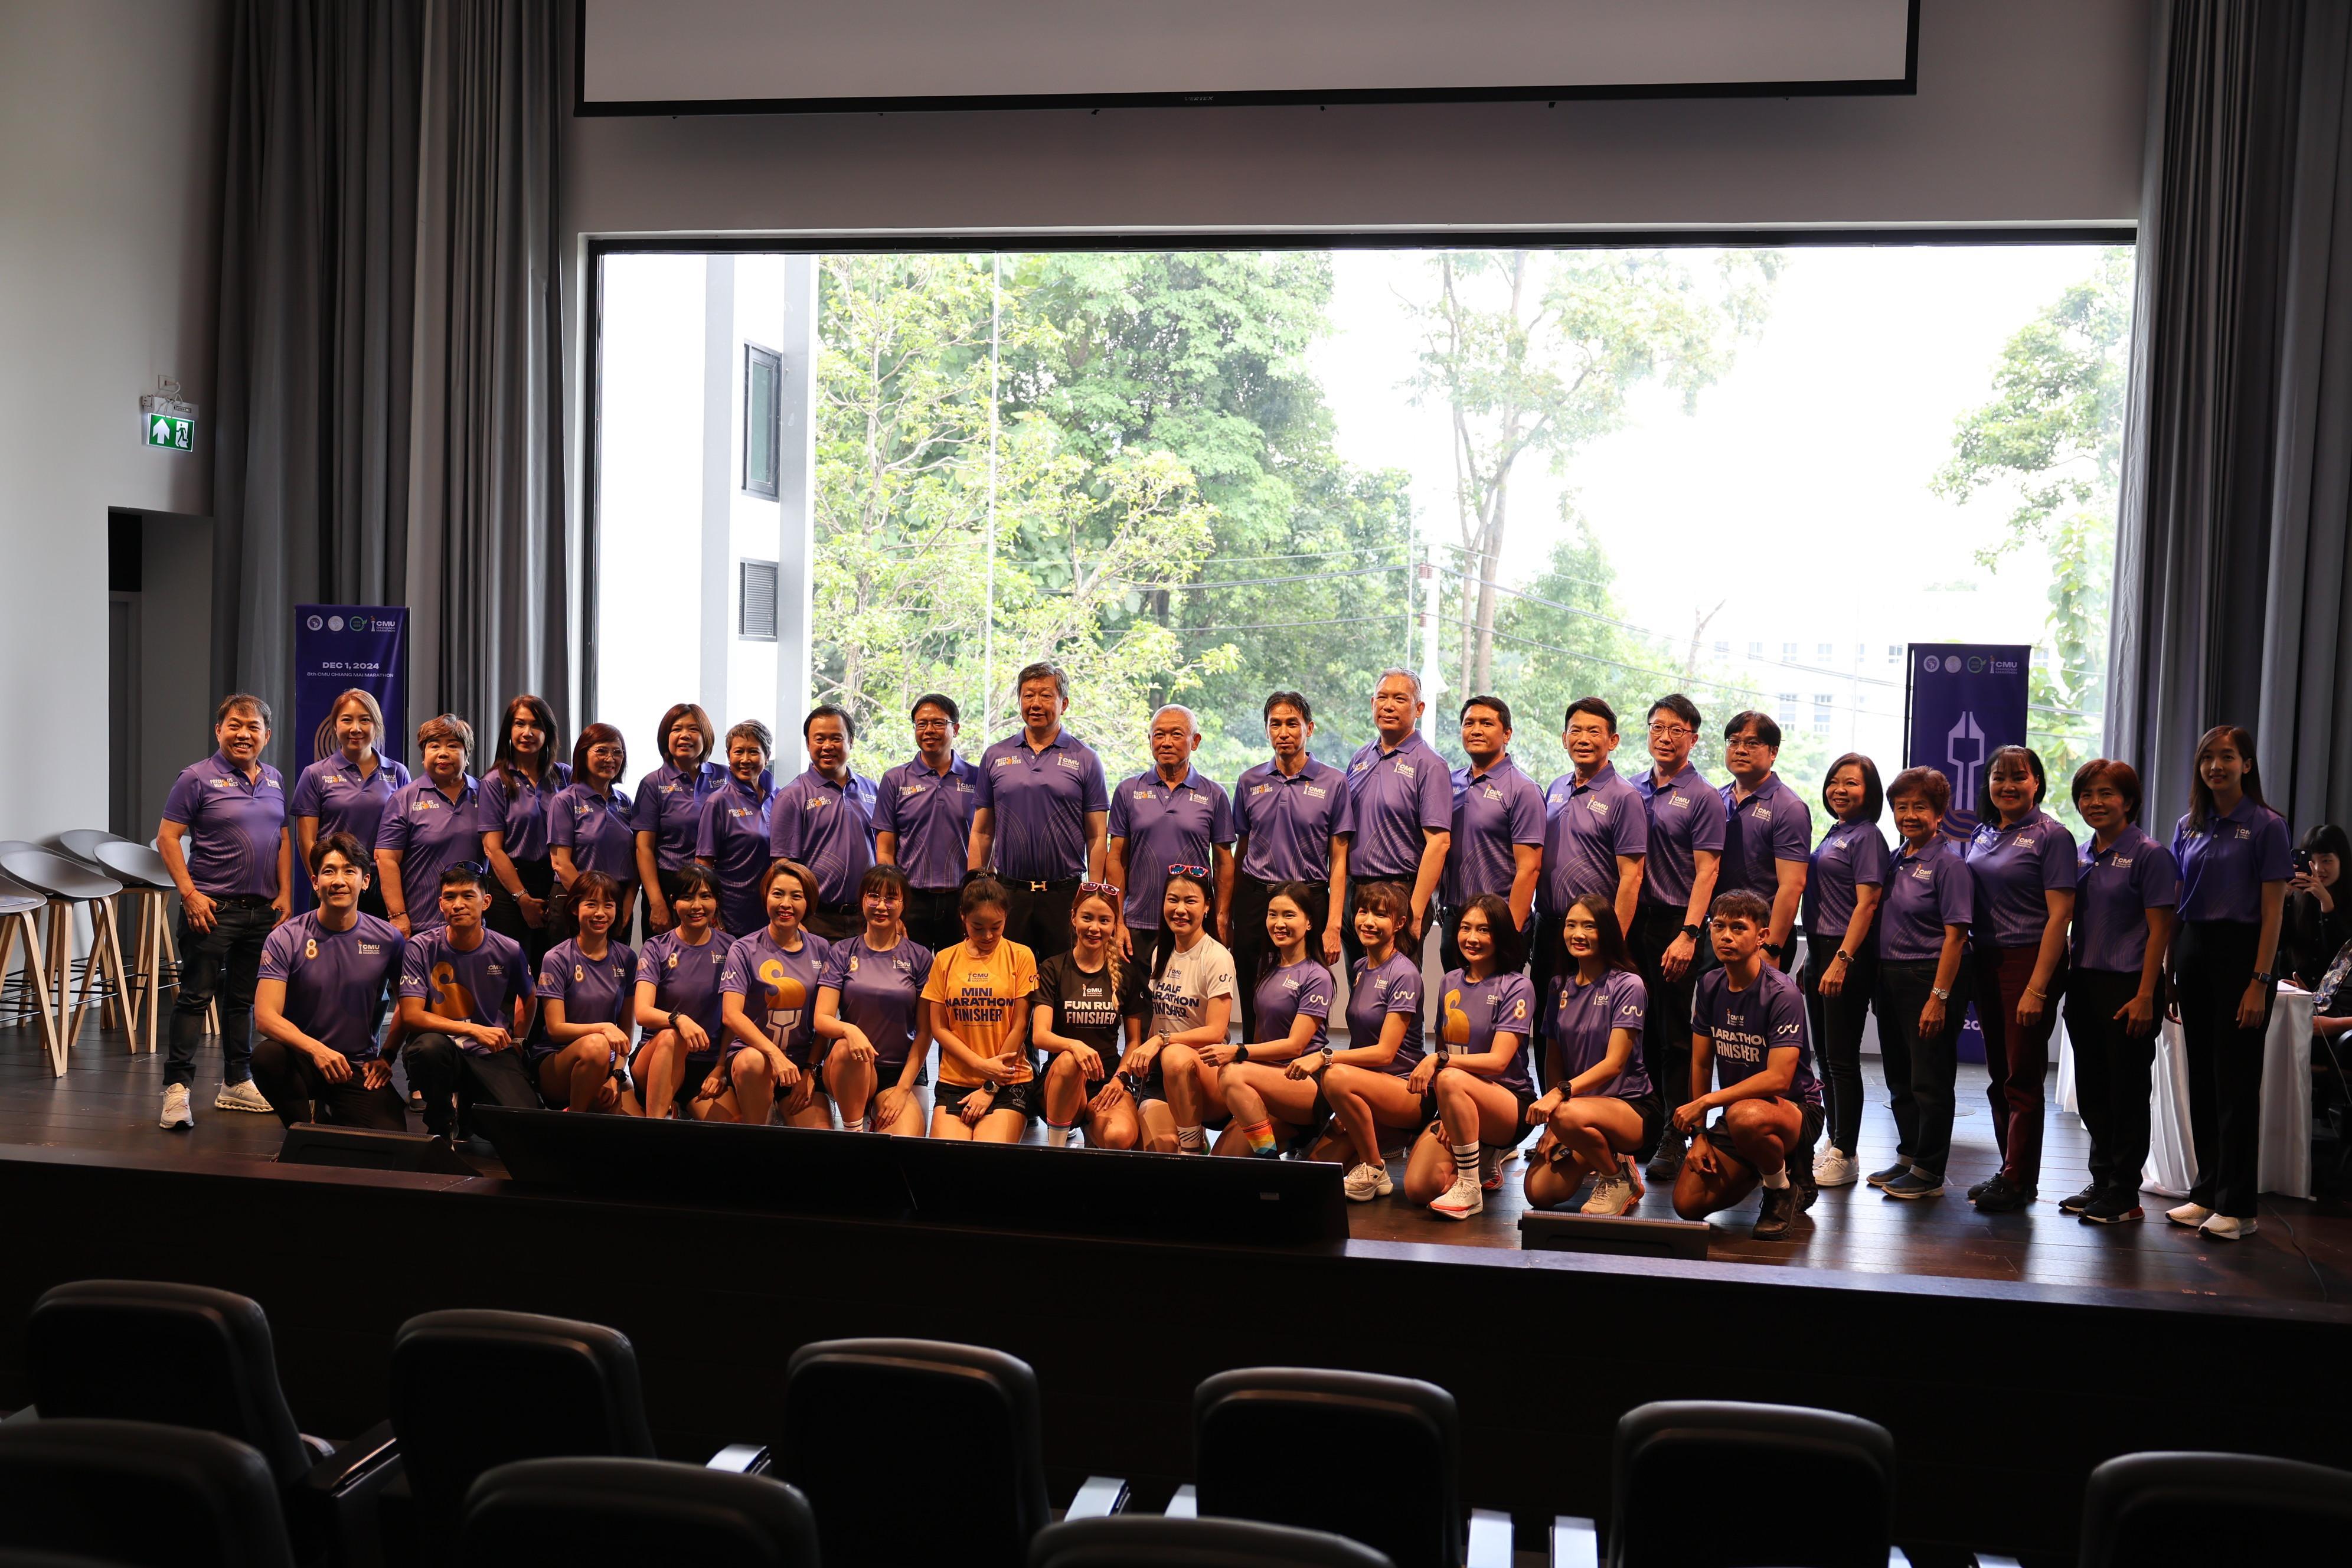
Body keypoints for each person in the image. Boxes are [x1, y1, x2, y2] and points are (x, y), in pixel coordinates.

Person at [2165, 724, 2292, 1242]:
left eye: (2227, 757)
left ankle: (2239, 1207)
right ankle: (2206, 1193)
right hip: (2193, 949)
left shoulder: (2267, 825)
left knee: (2235, 1082)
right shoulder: (2188, 825)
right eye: (2208, 758)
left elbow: (2273, 911)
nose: (2216, 766)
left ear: (2247, 765)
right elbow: (2177, 903)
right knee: (2202, 1079)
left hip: (2242, 955)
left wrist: (2260, 980)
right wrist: (2170, 972)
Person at [155, 693, 293, 1128]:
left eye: (253, 727)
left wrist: (286, 893)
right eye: (235, 725)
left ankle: (237, 1080)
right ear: (219, 730)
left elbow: (283, 839)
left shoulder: (275, 779)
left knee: (242, 1001)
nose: (243, 734)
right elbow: (167, 837)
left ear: (267, 735)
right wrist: (189, 894)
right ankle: (177, 1090)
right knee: (195, 998)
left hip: (262, 912)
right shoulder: (195, 777)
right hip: (211, 910)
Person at [1670, 890, 1825, 1240]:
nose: (1726, 936)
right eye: (1719, 926)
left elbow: (1779, 1079)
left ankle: (1781, 1188)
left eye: (1738, 928)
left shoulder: (1783, 993)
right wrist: (1699, 1135)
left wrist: (1708, 1102)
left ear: (1761, 936)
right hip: (1741, 1114)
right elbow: (1700, 1063)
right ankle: (1769, 1163)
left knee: (1745, 1115)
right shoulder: (1709, 985)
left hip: (1796, 1111)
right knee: (1687, 1204)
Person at [1960, 745, 2077, 1213]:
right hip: (1986, 962)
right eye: (1998, 776)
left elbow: (2061, 916)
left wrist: (2037, 987)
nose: (2007, 785)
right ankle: (2011, 1170)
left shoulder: (2052, 836)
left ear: (2037, 783)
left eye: (2018, 776)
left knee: (2022, 1077)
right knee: (1999, 1076)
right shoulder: (1983, 833)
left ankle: (2018, 1179)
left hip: (2029, 961)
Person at [2062, 759, 2178, 1224]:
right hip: (2084, 983)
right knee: (2093, 1090)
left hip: (2130, 985)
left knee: (2126, 1092)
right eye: (2087, 794)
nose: (2095, 802)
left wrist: (2148, 994)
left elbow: (2161, 931)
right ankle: (2103, 1180)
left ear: (2128, 801)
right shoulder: (2080, 855)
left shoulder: (2151, 855)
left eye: (2106, 793)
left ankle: (2125, 1193)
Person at [249, 832, 407, 1129]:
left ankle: (330, 1111)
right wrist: (317, 1050)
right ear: (315, 882)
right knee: (267, 1056)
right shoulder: (286, 937)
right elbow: (265, 1017)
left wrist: (387, 1055)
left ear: (365, 881)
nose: (338, 881)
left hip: (355, 1065)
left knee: (390, 1137)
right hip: (302, 1058)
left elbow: (408, 1006)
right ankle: (303, 1131)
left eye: (349, 871)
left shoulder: (388, 939)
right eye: (329, 872)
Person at [1868, 766, 1974, 1202]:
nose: (1909, 815)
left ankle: (1930, 1170)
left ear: (1940, 812)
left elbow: (1957, 936)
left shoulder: (1949, 865)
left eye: (1919, 807)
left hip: (1928, 977)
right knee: (1899, 1077)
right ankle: (1909, 1155)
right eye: (1901, 807)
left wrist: (1939, 997)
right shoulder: (1897, 858)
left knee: (1930, 1080)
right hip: (1890, 977)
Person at [1628, 694, 1724, 1159]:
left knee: (1673, 1035)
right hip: (1634, 921)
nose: (1665, 737)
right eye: (1657, 727)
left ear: (1694, 738)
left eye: (1676, 730)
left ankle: (1675, 1131)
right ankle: (1644, 1128)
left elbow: (1708, 871)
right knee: (1638, 1029)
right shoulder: (1632, 789)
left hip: (1676, 923)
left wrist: (1689, 934)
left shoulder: (1703, 797)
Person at [1402, 896, 1537, 1221]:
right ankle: (1483, 1159)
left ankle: (1470, 1185)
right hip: (1457, 1097)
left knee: (1449, 1075)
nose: (1472, 938)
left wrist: (1440, 1062)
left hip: (1507, 1104)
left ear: (1501, 935)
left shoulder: (1518, 986)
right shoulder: (1449, 981)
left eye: (1484, 930)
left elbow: (1498, 1062)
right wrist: (1452, 1112)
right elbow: (1445, 1049)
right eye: (1465, 928)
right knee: (1418, 1189)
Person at [1537, 698, 1648, 1096]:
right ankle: (1553, 1114)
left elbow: (1632, 876)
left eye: (1594, 732)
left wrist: (1611, 940)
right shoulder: (1555, 789)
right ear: (1564, 738)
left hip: (1595, 934)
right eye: (1576, 731)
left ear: (1612, 741)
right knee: (1550, 1029)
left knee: (1597, 1033)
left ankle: (1599, 1115)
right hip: (1550, 928)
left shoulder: (1624, 796)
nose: (1583, 739)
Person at [1523, 894, 1658, 1217]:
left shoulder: (1628, 984)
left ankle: (1617, 1177)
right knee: (1538, 1193)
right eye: (1571, 925)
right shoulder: (1558, 986)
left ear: (1607, 932)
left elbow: (1614, 1064)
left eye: (1589, 926)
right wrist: (1555, 1126)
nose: (1578, 934)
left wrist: (1559, 1098)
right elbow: (1553, 1060)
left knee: (1568, 1114)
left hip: (1629, 1108)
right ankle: (1605, 1155)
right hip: (1575, 1111)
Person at [968, 662, 1111, 961]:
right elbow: (982, 831)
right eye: (1028, 695)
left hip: (1065, 895)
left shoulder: (1086, 759)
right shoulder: (995, 755)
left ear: (1064, 704)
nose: (1036, 704)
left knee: (1062, 980)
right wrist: (975, 886)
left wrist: (1093, 893)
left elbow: (1097, 836)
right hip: (1008, 893)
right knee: (1006, 978)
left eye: (1046, 695)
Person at [1227, 691, 1351, 1037]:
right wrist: (1230, 913)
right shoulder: (1249, 782)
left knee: (1306, 988)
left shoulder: (1334, 782)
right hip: (1256, 899)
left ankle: (1303, 1061)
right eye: (1275, 724)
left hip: (1309, 898)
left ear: (1309, 728)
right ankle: (1251, 1057)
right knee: (1251, 989)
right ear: (1267, 730)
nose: (1284, 732)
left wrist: (1333, 925)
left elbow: (1339, 859)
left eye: (1292, 724)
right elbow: (1241, 851)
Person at [397, 863, 540, 1139]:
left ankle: (469, 1111)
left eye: (468, 896)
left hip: (491, 1052)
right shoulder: (420, 947)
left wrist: (519, 1041)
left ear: (486, 902)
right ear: (441, 904)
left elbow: (529, 996)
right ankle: (440, 1122)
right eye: (450, 897)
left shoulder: (508, 949)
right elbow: (411, 1016)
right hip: (442, 1049)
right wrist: (474, 1030)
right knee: (427, 1049)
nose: (458, 905)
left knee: (524, 1124)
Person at [1802, 754, 1890, 1190]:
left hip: (1845, 954)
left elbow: (1868, 904)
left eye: (1852, 783)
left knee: (1841, 1059)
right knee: (1825, 1058)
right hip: (1820, 951)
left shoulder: (1867, 836)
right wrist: (1815, 960)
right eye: (1834, 781)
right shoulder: (1836, 832)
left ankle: (1846, 1151)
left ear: (1869, 792)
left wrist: (1841, 959)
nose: (1840, 789)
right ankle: (1835, 1142)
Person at [1313, 880, 1432, 1200]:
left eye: (1380, 915)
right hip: (1370, 1087)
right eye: (1363, 911)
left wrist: (1326, 1057)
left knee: (1334, 1076)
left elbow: (1384, 1054)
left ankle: (1375, 1168)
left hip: (1406, 1090)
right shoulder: (1360, 967)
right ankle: (1383, 1142)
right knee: (1316, 1171)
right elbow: (1361, 1043)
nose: (1368, 921)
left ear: (1400, 924)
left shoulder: (1404, 973)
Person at [1213, 882, 1337, 1158]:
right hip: (1270, 1078)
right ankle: (1273, 1149)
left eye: (1289, 915)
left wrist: (1239, 1052)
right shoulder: (1267, 966)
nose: (1279, 923)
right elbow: (1261, 1031)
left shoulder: (1317, 976)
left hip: (1305, 1081)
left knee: (1232, 1073)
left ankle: (1271, 1165)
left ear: (1309, 923)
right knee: (1221, 1159)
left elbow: (1295, 1046)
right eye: (1273, 915)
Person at [1339, 669, 1453, 967]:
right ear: (1372, 703)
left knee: (1398, 988)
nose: (1388, 706)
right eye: (1382, 698)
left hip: (1399, 893)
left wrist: (1414, 912)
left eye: (1400, 699)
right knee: (1359, 987)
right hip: (1355, 893)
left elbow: (1439, 843)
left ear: (1419, 708)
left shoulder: (1430, 764)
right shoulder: (1360, 758)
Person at [1123, 870, 1240, 1154]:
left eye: (1191, 901)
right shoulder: (1160, 953)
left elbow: (1216, 1032)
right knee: (1157, 1149)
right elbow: (1159, 1018)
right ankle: (1191, 1134)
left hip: (1206, 1070)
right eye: (1173, 900)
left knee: (1174, 1056)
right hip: (1166, 1074)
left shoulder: (1218, 957)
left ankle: (1192, 1151)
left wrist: (1161, 1040)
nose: (1180, 910)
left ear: (1207, 906)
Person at [814, 864, 935, 1137]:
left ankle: (881, 1110)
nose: (881, 906)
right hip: (848, 1065)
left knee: (905, 1141)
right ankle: (854, 1132)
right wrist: (850, 1030)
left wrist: (902, 1091)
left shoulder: (920, 957)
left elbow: (925, 1032)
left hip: (897, 1073)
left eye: (891, 898)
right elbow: (822, 1019)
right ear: (862, 900)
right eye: (874, 896)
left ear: (903, 905)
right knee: (847, 1048)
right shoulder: (842, 952)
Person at [1108, 704, 1236, 959]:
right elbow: (1116, 859)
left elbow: (1223, 863)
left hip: (1193, 925)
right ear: (1150, 740)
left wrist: (1221, 917)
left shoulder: (1215, 794)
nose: (1166, 742)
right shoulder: (1127, 790)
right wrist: (1117, 920)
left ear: (1195, 741)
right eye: (1159, 735)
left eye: (1176, 734)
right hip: (1137, 924)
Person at [920, 875, 1040, 1142]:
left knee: (987, 1153)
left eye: (996, 927)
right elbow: (939, 1028)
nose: (988, 936)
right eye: (978, 927)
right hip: (956, 1081)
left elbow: (1020, 1026)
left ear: (1006, 917)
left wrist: (991, 1085)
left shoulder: (1022, 956)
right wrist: (981, 1066)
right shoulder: (945, 959)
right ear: (963, 917)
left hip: (1007, 1080)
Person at [718, 860, 833, 1129]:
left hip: (799, 1066)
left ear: (809, 902)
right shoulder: (743, 949)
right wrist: (774, 1055)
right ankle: (760, 1118)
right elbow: (731, 1015)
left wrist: (810, 1071)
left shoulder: (822, 949)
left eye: (796, 896)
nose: (786, 904)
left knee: (822, 1140)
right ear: (765, 897)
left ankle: (776, 1108)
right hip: (753, 1059)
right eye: (778, 894)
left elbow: (824, 1020)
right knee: (753, 1063)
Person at [1435, 695, 1544, 977]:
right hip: (1456, 920)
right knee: (1455, 1000)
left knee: (1497, 1003)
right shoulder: (1449, 782)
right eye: (1469, 723)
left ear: (1507, 734)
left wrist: (1511, 932)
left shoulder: (1524, 790)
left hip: (1499, 923)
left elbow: (1530, 869)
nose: (1476, 730)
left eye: (1486, 723)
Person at [1033, 881, 1146, 1149]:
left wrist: (1120, 1079)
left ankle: (1093, 1132)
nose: (1095, 928)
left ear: (1114, 925)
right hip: (1062, 1078)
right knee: (1070, 1061)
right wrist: (1075, 1046)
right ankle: (1056, 1151)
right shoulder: (1052, 968)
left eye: (1104, 920)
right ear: (1074, 918)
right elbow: (1040, 1036)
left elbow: (1134, 1042)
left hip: (1106, 1078)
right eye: (1087, 918)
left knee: (1120, 1136)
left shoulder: (1126, 974)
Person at [289, 688, 411, 919]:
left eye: (365, 720)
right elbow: (306, 841)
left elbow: (406, 836)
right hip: (335, 883)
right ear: (335, 727)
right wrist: (321, 883)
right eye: (347, 720)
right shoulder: (315, 774)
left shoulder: (398, 773)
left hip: (383, 885)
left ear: (376, 726)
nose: (356, 728)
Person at [628, 864, 737, 1119]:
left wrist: (721, 1067)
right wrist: (679, 1019)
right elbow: (642, 1013)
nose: (696, 906)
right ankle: (655, 1124)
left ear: (717, 901)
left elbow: (733, 1017)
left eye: (705, 896)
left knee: (735, 1125)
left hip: (704, 1065)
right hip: (655, 1058)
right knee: (671, 1037)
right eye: (687, 897)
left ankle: (678, 1105)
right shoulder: (657, 948)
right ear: (673, 902)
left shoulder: (731, 948)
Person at [874, 693, 979, 952]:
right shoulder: (895, 779)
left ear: (956, 729)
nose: (929, 730)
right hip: (911, 899)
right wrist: (892, 901)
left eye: (938, 723)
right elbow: (885, 848)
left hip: (962, 899)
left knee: (957, 972)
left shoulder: (977, 778)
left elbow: (988, 836)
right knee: (907, 971)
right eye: (921, 724)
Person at [769, 704, 880, 941]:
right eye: (819, 739)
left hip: (868, 918)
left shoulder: (872, 790)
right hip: (817, 920)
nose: (827, 746)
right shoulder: (792, 796)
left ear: (851, 741)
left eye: (836, 738)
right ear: (808, 744)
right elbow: (783, 865)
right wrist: (796, 919)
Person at [531, 870, 635, 1115]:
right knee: (597, 1045)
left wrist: (616, 1077)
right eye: (591, 904)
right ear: (575, 909)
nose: (600, 913)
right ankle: (575, 1124)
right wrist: (604, 1028)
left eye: (608, 905)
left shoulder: (627, 957)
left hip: (607, 1064)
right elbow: (556, 1029)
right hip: (556, 1061)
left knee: (637, 1122)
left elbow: (625, 1032)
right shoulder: (557, 958)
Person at [375, 714, 486, 937]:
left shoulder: (486, 795)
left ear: (467, 756)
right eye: (434, 746)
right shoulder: (404, 799)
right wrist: (398, 915)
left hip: (473, 925)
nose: (443, 753)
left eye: (453, 746)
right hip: (420, 924)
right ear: (423, 756)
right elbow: (386, 859)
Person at [1715, 711, 1811, 971]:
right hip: (1720, 932)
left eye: (1752, 743)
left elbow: (1793, 885)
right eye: (1734, 742)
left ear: (1773, 752)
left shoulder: (1789, 807)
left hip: (1762, 936)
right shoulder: (1716, 799)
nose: (1740, 750)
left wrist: (1771, 947)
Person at [480, 694, 571, 963]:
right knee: (510, 972)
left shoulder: (564, 776)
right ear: (509, 730)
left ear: (548, 732)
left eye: (536, 725)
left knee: (555, 968)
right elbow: (492, 849)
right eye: (520, 724)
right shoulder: (495, 781)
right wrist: (523, 899)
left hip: (557, 884)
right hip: (510, 888)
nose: (527, 733)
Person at [633, 702, 727, 937]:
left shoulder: (725, 776)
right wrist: (657, 902)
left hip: (716, 885)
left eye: (694, 729)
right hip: (668, 886)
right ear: (666, 737)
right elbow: (644, 849)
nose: (685, 735)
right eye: (677, 729)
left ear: (706, 736)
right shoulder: (653, 783)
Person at [550, 723, 637, 933]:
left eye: (617, 752)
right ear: (583, 754)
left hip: (616, 904)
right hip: (575, 902)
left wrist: (626, 904)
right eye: (602, 751)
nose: (610, 758)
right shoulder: (565, 800)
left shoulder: (626, 803)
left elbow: (637, 860)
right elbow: (560, 863)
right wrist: (594, 905)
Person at [695, 719, 779, 937]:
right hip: (732, 913)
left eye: (754, 752)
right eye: (738, 752)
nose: (745, 759)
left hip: (774, 911)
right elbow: (704, 865)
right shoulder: (718, 802)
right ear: (729, 756)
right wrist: (714, 916)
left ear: (767, 756)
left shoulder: (781, 798)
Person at [2284, 823, 2350, 989]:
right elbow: (2279, 945)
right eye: (2311, 861)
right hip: (2292, 991)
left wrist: (2326, 903)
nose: (2319, 869)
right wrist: (2285, 898)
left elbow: (2344, 957)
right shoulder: (2298, 898)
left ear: (2342, 861)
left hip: (2337, 996)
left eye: (2326, 861)